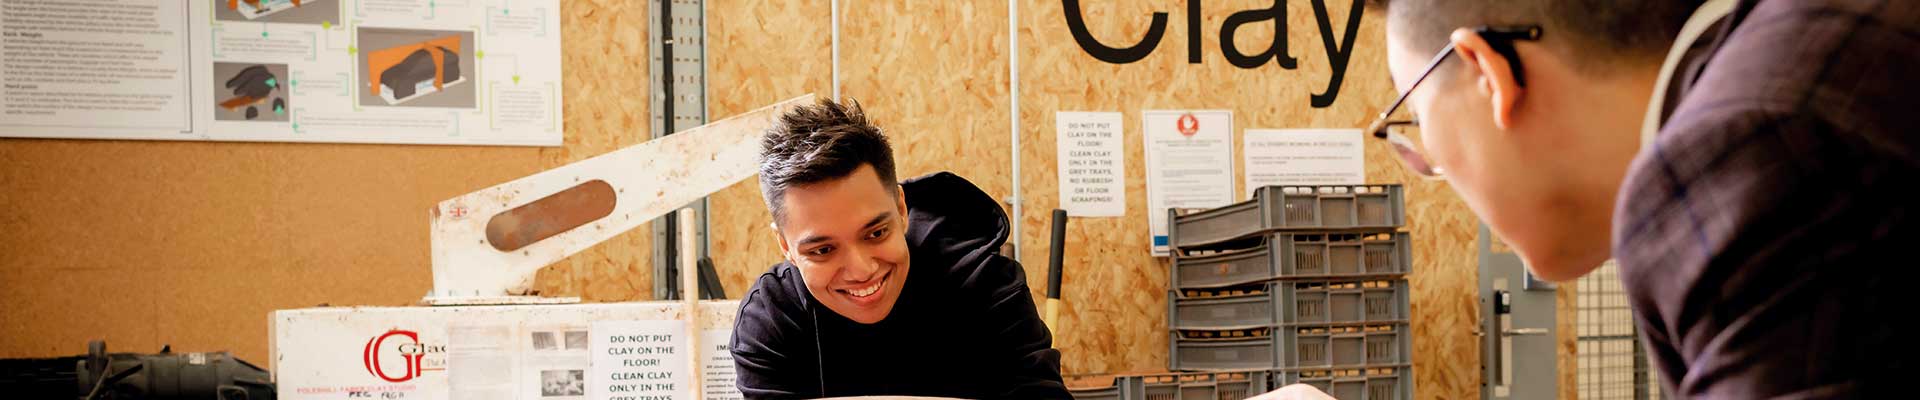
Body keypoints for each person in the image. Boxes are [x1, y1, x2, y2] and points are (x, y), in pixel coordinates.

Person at [1268, 0, 1916, 398]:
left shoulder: (1743, 153)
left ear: (1488, 72)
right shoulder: (1810, 43)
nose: (1432, 167)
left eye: (1415, 129)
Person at [730, 98, 1070, 399]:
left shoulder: (986, 283)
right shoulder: (770, 321)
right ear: (785, 245)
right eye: (822, 251)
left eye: (875, 233)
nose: (861, 270)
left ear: (902, 208)